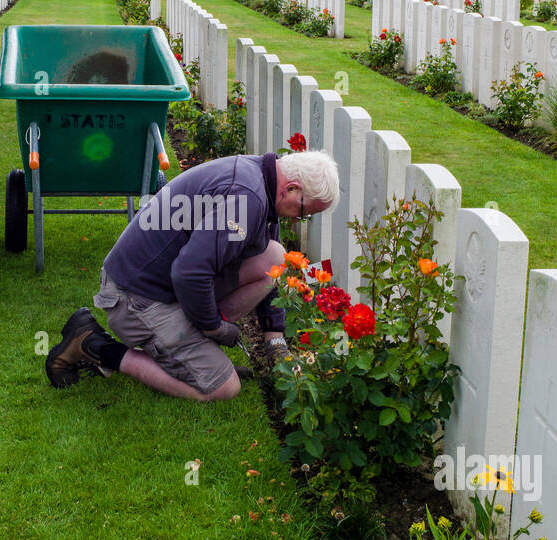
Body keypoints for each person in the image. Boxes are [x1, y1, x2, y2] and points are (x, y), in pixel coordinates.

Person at [45, 149, 340, 401]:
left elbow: (267, 266)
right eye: (303, 212)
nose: (299, 219)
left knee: (274, 255)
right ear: (291, 188)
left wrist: (275, 340)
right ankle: (92, 344)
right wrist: (215, 328)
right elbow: (189, 273)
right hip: (135, 298)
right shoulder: (248, 198)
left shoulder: (262, 178)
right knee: (223, 387)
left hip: (161, 282)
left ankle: (194, 344)